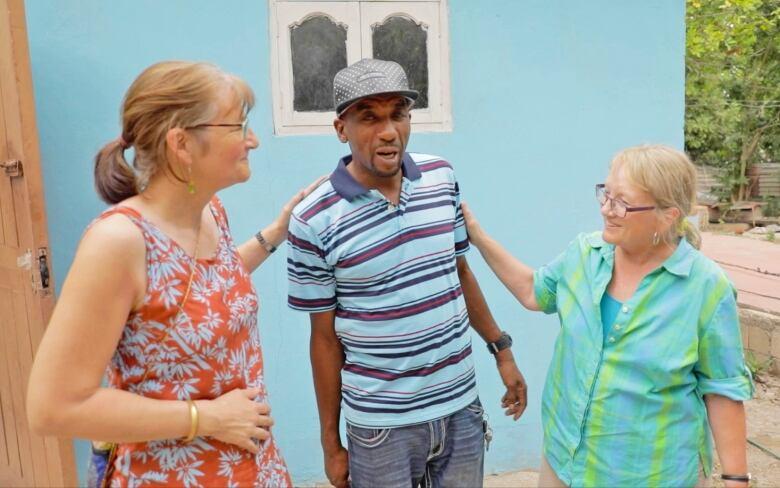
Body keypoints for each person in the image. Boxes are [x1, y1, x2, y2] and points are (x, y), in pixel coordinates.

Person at [26, 61, 318, 487]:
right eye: (238, 126)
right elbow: (53, 407)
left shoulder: (209, 214)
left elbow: (199, 292)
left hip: (252, 469)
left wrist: (275, 234)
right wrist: (208, 417)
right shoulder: (119, 242)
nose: (252, 140)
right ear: (182, 144)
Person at [286, 58, 528, 488]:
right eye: (369, 118)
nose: (388, 131)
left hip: (460, 408)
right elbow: (323, 338)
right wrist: (330, 443)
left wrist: (501, 350)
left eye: (397, 114)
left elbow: (459, 271)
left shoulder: (441, 177)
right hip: (381, 428)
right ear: (341, 129)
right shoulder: (313, 219)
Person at [462, 144, 754, 487]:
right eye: (605, 193)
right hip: (566, 459)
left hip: (652, 474)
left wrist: (736, 479)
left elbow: (722, 390)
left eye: (622, 202)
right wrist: (478, 237)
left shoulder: (706, 288)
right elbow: (532, 291)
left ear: (668, 214)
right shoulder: (586, 255)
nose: (606, 209)